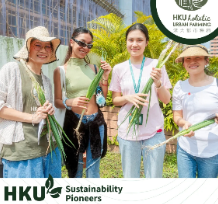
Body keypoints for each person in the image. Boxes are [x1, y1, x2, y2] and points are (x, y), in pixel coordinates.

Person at [109, 23, 172, 178]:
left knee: (154, 179)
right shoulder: (119, 68)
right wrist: (128, 98)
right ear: (126, 42)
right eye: (131, 40)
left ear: (146, 42)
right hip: (128, 133)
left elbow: (166, 99)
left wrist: (158, 83)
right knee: (130, 178)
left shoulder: (157, 65)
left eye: (139, 40)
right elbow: (115, 100)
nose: (134, 44)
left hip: (154, 132)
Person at [0, 26, 61, 178]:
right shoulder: (12, 69)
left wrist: (48, 111)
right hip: (22, 151)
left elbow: (42, 113)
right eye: (37, 45)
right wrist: (32, 117)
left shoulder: (46, 81)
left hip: (49, 148)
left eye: (48, 46)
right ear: (28, 48)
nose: (44, 50)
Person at [54, 27, 111, 178]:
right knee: (75, 170)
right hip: (74, 124)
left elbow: (102, 99)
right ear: (71, 42)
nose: (86, 48)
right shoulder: (60, 70)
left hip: (96, 122)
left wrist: (105, 76)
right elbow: (58, 101)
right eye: (82, 43)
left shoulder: (93, 68)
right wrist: (71, 101)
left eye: (89, 45)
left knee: (94, 171)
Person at [173, 44, 218, 178]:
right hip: (185, 149)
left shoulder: (216, 85)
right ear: (183, 63)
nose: (192, 61)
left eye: (197, 57)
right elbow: (177, 116)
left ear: (206, 61)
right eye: (188, 58)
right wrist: (183, 123)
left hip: (211, 150)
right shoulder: (180, 86)